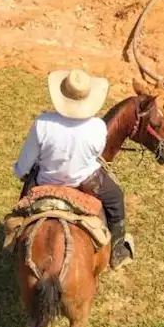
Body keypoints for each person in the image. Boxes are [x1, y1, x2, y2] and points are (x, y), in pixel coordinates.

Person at [13, 68, 134, 269]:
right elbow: (96, 154)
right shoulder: (97, 126)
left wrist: (20, 171)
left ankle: (15, 241)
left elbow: (25, 164)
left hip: (45, 182)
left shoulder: (42, 123)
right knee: (116, 199)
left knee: (20, 211)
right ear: (88, 98)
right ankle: (118, 250)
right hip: (87, 182)